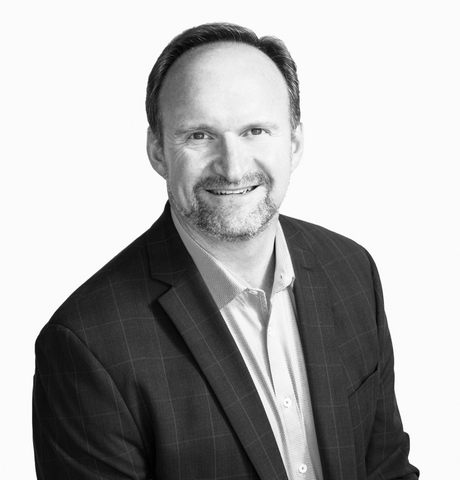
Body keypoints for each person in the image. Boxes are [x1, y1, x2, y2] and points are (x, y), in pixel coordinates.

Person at [33, 22, 419, 480]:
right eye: (199, 135)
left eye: (256, 130)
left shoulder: (351, 270)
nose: (233, 169)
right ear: (157, 151)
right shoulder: (86, 345)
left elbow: (387, 468)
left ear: (294, 143)